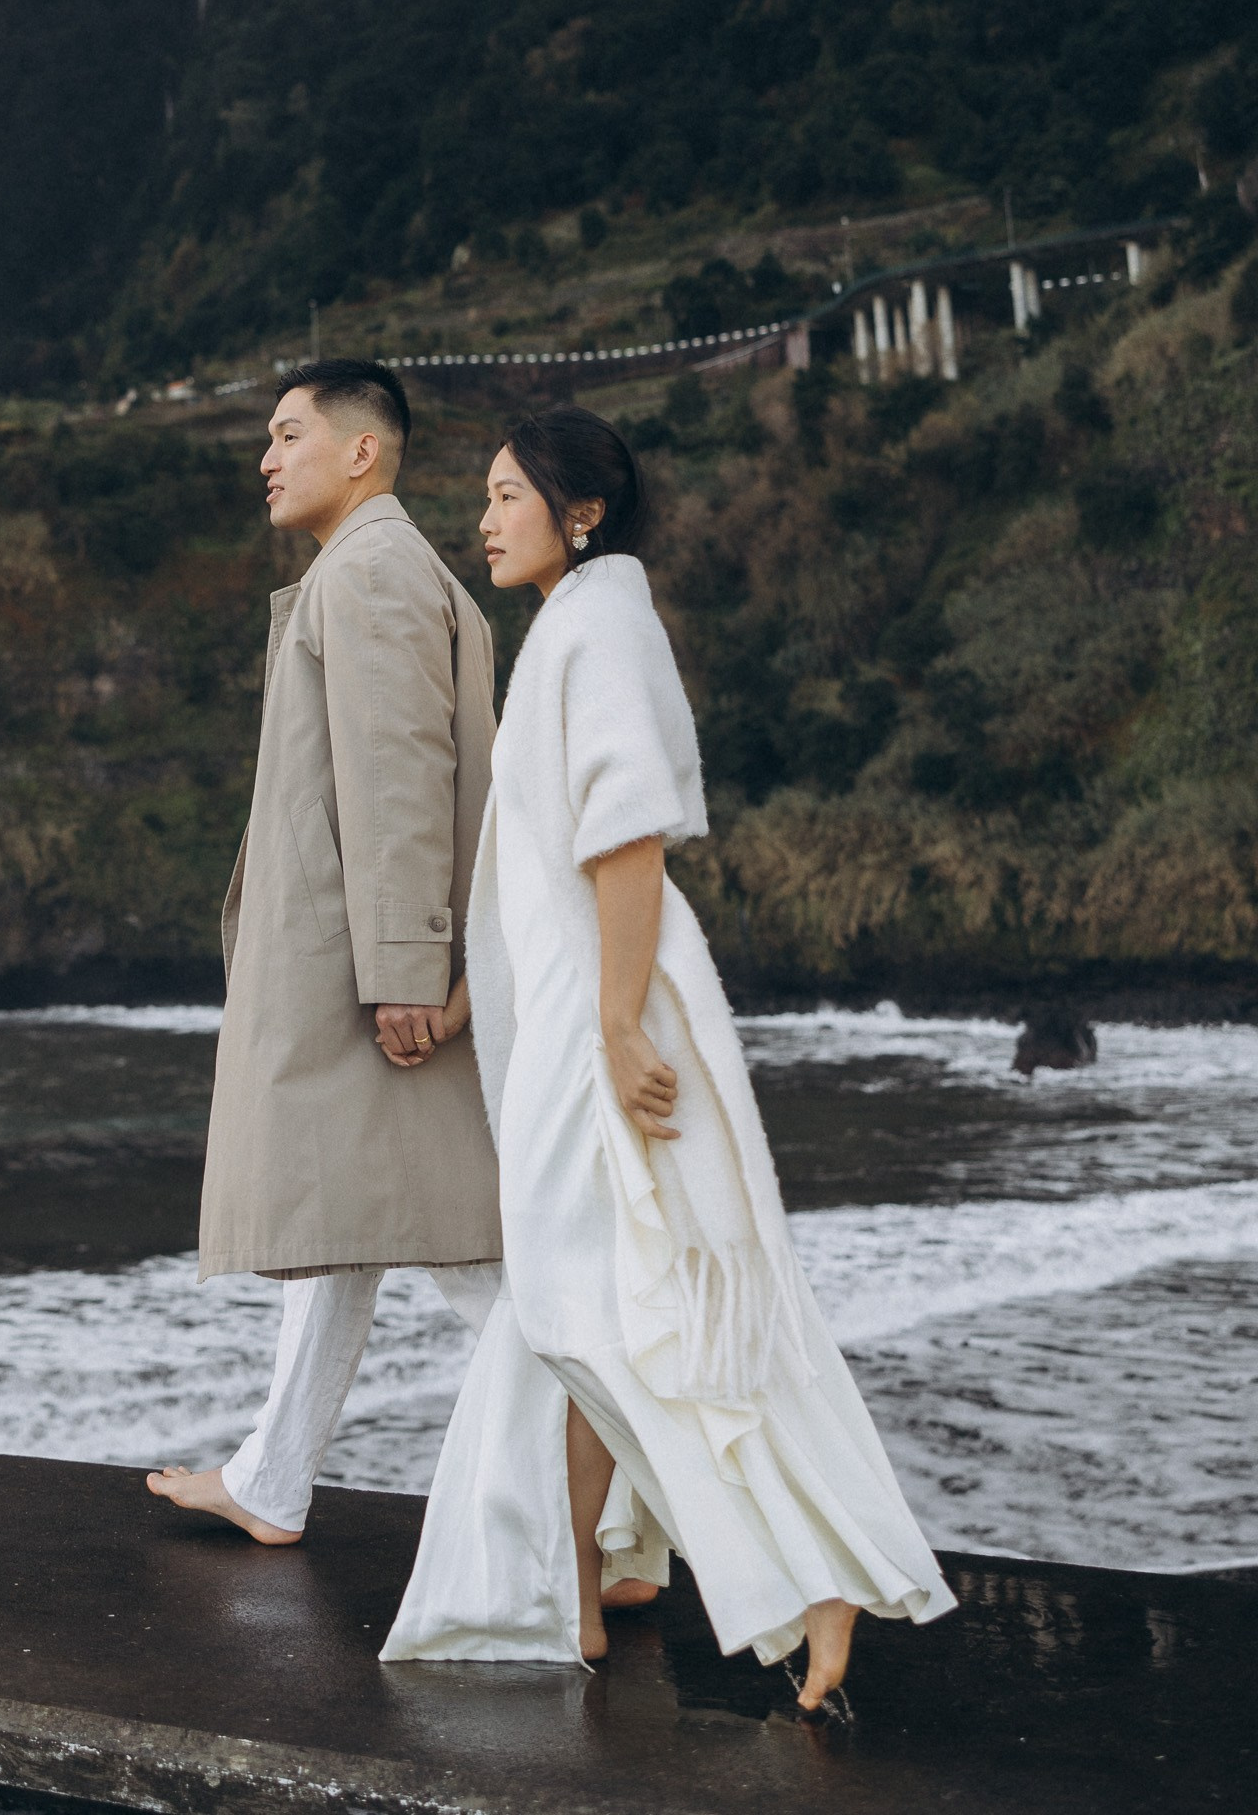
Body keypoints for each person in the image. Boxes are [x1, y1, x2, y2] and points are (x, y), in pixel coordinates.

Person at [383, 405, 954, 1717]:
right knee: (584, 1308)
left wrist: (619, 1023)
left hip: (605, 1017)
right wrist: (472, 1004)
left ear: (579, 511)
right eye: (485, 496)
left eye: (506, 495)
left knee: (593, 1308)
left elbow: (626, 842)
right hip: (571, 1013)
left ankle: (801, 1572)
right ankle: (589, 1584)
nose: (484, 519)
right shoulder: (566, 629)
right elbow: (534, 876)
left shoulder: (604, 625)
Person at [147, 358, 502, 1545]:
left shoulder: (371, 573)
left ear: (360, 450)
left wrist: (403, 969)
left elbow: (400, 780)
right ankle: (272, 1474)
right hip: (356, 962)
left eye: (287, 433)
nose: (265, 458)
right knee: (349, 1214)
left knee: (473, 1259)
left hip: (368, 971)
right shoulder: (364, 568)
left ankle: (629, 1507)